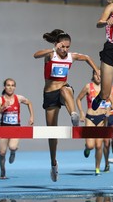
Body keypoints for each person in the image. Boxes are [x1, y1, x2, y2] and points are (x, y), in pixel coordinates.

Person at [34, 30, 100, 182]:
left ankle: (73, 115)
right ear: (57, 45)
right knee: (52, 134)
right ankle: (53, 164)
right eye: (62, 47)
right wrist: (53, 49)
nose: (65, 50)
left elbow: (87, 57)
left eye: (67, 47)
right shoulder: (51, 55)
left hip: (63, 90)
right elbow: (36, 55)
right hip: (50, 95)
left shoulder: (71, 56)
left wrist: (96, 69)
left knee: (66, 90)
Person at [76, 70, 113, 175]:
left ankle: (97, 168)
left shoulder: (106, 90)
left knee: (99, 146)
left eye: (100, 75)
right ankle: (87, 147)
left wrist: (109, 108)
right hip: (90, 118)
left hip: (102, 119)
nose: (98, 77)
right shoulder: (88, 87)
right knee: (91, 146)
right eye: (96, 74)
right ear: (93, 75)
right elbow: (78, 99)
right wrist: (81, 112)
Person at [0, 78, 34, 179]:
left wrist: (32, 116)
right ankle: (2, 170)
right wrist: (2, 107)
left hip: (15, 128)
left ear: (15, 87)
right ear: (4, 87)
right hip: (3, 128)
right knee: (2, 153)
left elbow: (29, 103)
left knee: (12, 146)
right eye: (8, 85)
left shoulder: (18, 98)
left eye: (12, 85)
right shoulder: (0, 99)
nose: (10, 87)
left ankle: (13, 151)